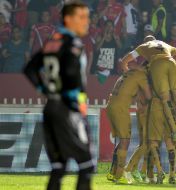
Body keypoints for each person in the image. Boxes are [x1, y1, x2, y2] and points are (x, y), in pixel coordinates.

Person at [24, 2, 94, 190]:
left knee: (59, 167)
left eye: (87, 17)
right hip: (68, 108)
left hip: (51, 108)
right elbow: (71, 74)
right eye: (81, 17)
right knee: (87, 165)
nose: (86, 21)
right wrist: (75, 99)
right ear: (68, 19)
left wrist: (46, 90)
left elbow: (30, 69)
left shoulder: (52, 41)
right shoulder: (73, 43)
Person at [121, 35, 176, 184]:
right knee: (169, 142)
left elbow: (125, 61)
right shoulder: (165, 48)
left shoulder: (146, 61)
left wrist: (128, 71)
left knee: (150, 143)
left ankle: (140, 171)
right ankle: (163, 174)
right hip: (167, 101)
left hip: (154, 107)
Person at [106, 59, 151, 184]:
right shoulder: (141, 76)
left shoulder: (128, 73)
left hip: (111, 105)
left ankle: (113, 172)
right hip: (120, 107)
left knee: (122, 140)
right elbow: (148, 96)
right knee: (125, 140)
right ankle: (120, 175)